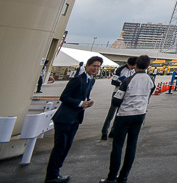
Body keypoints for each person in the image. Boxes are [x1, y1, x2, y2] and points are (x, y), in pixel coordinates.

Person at [45, 55, 102, 183]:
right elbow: (64, 97)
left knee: (66, 147)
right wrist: (79, 103)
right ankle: (51, 176)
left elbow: (83, 96)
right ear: (87, 66)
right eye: (93, 66)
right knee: (60, 147)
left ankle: (56, 172)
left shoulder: (91, 80)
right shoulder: (77, 80)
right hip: (65, 117)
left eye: (98, 67)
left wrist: (86, 102)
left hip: (76, 118)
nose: (95, 69)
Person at [100, 55, 155, 183]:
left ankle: (112, 177)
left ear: (136, 65)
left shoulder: (128, 80)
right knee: (132, 145)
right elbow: (149, 95)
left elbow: (116, 100)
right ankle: (124, 176)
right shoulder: (150, 80)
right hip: (140, 114)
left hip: (125, 115)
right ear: (148, 66)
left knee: (118, 146)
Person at [102, 57, 137, 140]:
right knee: (111, 112)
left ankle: (113, 131)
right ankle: (104, 131)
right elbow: (113, 81)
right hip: (118, 92)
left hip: (127, 93)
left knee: (119, 113)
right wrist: (123, 82)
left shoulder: (134, 71)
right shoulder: (120, 69)